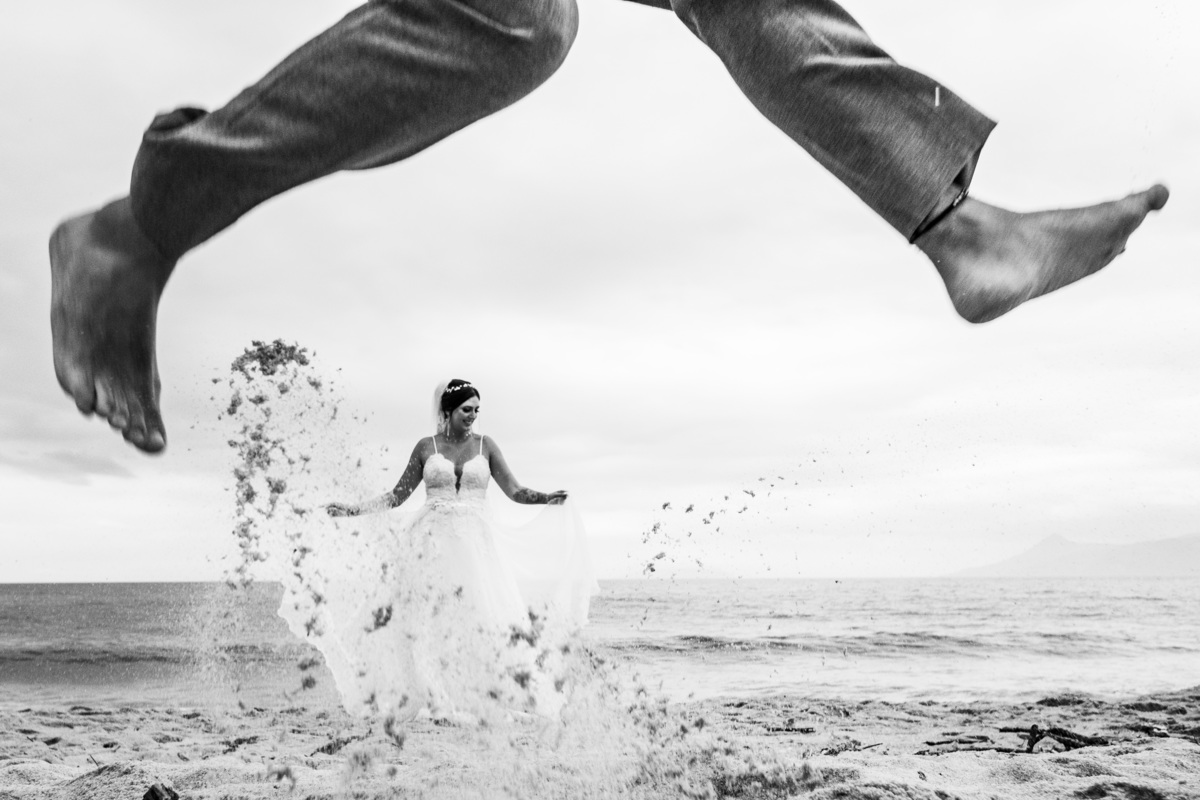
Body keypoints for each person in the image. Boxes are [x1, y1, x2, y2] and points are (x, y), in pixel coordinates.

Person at [49, 0, 1169, 454]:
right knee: (520, 18)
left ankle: (955, 228)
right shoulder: (452, 447)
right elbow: (414, 485)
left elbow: (485, 478)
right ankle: (143, 223)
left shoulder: (471, 444)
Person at [293, 379, 597, 723]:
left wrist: (546, 498)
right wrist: (352, 510)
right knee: (429, 619)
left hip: (475, 546)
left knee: (483, 614)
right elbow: (397, 496)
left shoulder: (487, 446)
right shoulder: (426, 447)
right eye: (467, 410)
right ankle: (433, 694)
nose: (473, 417)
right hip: (430, 544)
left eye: (477, 411)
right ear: (448, 411)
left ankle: (486, 694)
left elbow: (514, 490)